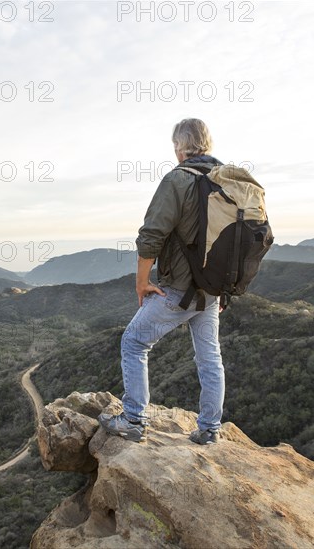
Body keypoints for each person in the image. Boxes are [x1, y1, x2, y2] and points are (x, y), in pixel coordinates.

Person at [98, 118, 225, 445]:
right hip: (212, 290)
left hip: (180, 288)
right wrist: (226, 288)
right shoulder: (229, 182)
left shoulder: (179, 179)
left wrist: (141, 282)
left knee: (134, 342)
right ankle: (210, 429)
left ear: (179, 147)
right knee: (210, 358)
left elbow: (151, 235)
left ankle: (133, 419)